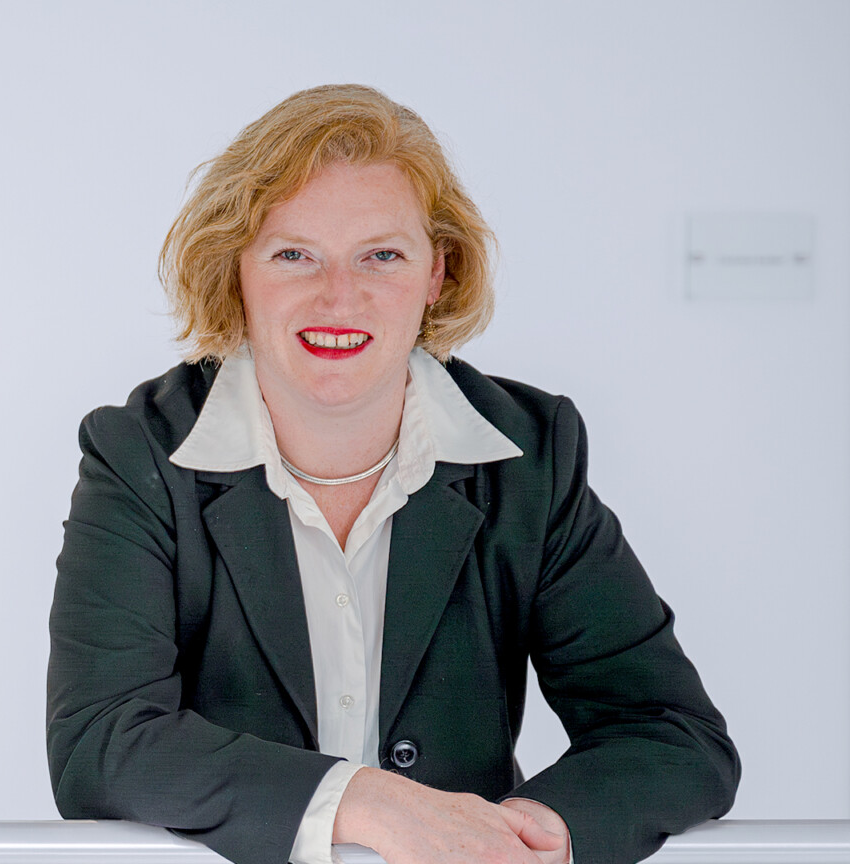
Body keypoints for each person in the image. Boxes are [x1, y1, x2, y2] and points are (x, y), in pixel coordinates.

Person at [45, 85, 740, 864]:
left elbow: (671, 732)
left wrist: (517, 839)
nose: (339, 296)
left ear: (436, 272)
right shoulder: (140, 453)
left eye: (382, 255)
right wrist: (365, 802)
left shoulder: (529, 456)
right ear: (235, 270)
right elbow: (99, 743)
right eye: (293, 254)